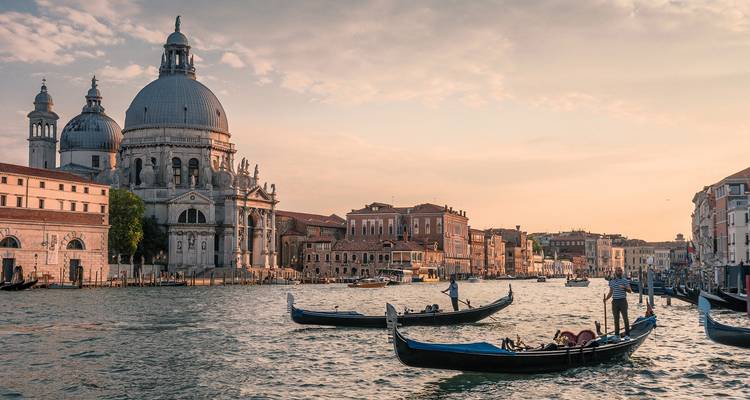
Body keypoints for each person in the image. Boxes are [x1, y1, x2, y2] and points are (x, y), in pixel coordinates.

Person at [604, 267, 632, 340]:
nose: (619, 272)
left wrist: (624, 288)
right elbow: (611, 292)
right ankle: (617, 335)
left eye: (620, 271)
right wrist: (606, 299)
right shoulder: (611, 281)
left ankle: (627, 335)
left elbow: (630, 290)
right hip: (615, 302)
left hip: (622, 301)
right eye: (618, 271)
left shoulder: (625, 281)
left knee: (625, 318)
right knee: (616, 319)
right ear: (615, 272)